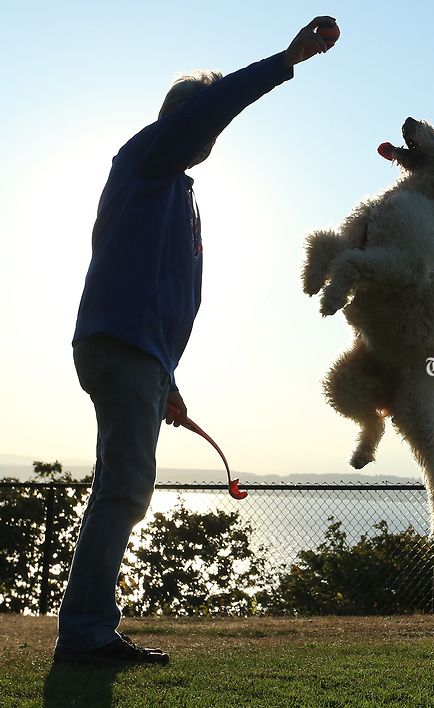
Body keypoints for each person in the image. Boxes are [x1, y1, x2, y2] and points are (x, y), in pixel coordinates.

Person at [55, 17, 339, 666]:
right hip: (120, 348)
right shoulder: (150, 154)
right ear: (186, 120)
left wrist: (169, 381)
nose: (209, 132)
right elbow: (206, 111)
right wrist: (286, 59)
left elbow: (161, 294)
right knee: (125, 489)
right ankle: (86, 634)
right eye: (202, 118)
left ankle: (89, 628)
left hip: (138, 355)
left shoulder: (171, 188)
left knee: (123, 485)